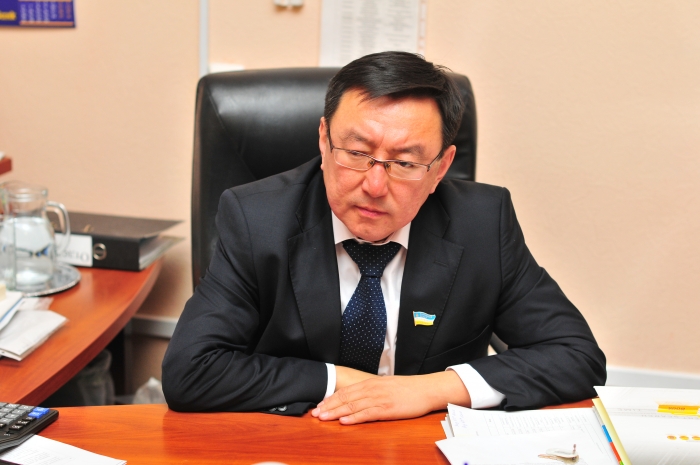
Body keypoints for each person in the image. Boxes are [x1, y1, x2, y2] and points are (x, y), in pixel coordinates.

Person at [162, 51, 606, 424]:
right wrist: (344, 382)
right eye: (357, 153)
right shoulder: (257, 219)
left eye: (406, 163)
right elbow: (190, 371)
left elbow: (577, 355)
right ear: (324, 140)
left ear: (441, 167)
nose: (375, 186)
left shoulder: (483, 223)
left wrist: (429, 389)